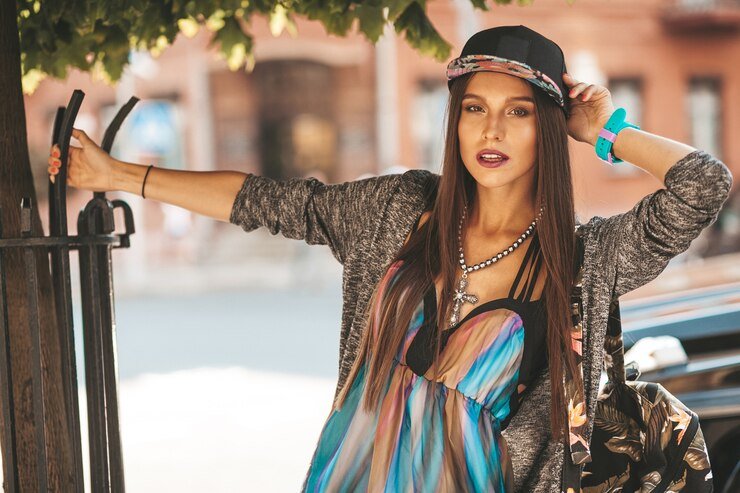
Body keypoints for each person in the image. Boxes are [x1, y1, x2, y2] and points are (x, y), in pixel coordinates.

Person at [48, 24, 732, 493]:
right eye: (474, 109)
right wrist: (117, 174)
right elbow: (267, 200)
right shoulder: (400, 210)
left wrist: (606, 128)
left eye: (519, 113)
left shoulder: (585, 257)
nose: (491, 129)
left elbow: (705, 184)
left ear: (548, 131)